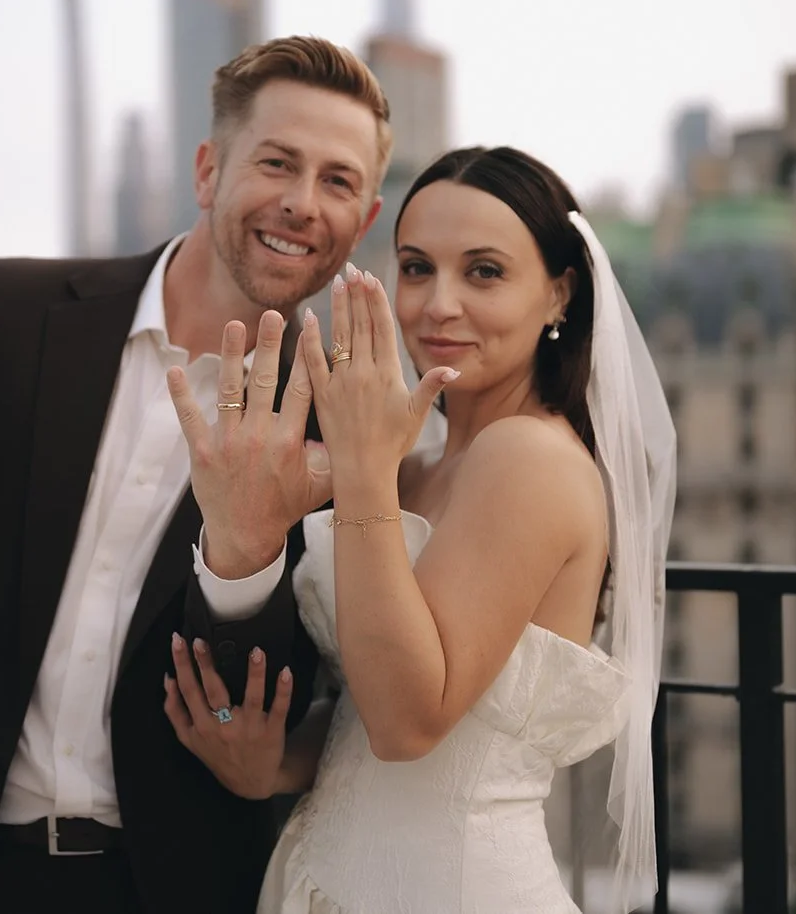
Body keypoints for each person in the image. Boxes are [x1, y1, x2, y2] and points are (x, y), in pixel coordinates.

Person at [0, 36, 395, 914]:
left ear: (364, 218)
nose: (303, 203)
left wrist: (246, 544)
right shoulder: (3, 314)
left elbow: (260, 709)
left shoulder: (342, 433)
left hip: (169, 890)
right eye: (277, 163)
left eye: (338, 181)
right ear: (207, 171)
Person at [164, 146, 678, 912]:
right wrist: (272, 762)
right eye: (414, 268)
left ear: (559, 295)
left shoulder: (528, 457)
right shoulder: (425, 463)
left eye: (484, 272)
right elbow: (362, 715)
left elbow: (408, 724)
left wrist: (363, 467)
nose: (438, 305)